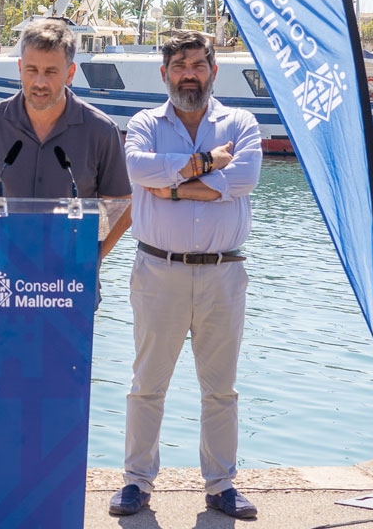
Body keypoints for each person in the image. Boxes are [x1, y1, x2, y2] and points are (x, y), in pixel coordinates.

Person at [0, 19, 132, 529]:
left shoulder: (98, 130)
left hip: (68, 293)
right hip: (2, 289)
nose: (39, 80)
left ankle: (50, 509)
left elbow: (122, 205)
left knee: (59, 397)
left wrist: (90, 259)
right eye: (31, 69)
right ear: (19, 68)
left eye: (51, 71)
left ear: (70, 71)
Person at [109, 31, 262, 519]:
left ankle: (220, 485)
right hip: (159, 270)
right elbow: (137, 169)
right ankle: (137, 483)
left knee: (221, 389)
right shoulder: (144, 124)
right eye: (180, 66)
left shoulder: (241, 122)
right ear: (164, 73)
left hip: (223, 273)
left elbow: (245, 179)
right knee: (146, 384)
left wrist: (173, 188)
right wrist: (204, 166)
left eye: (198, 64)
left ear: (213, 71)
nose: (189, 74)